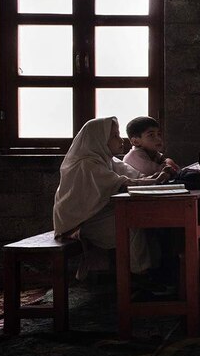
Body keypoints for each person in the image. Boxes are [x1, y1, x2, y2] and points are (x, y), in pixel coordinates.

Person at [52, 117, 169, 284]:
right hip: (80, 224)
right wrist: (158, 179)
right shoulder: (87, 164)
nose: (121, 140)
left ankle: (151, 273)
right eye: (115, 135)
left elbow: (137, 177)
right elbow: (124, 184)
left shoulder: (108, 160)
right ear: (98, 139)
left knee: (143, 220)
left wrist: (156, 178)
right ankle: (140, 279)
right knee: (131, 224)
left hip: (98, 215)